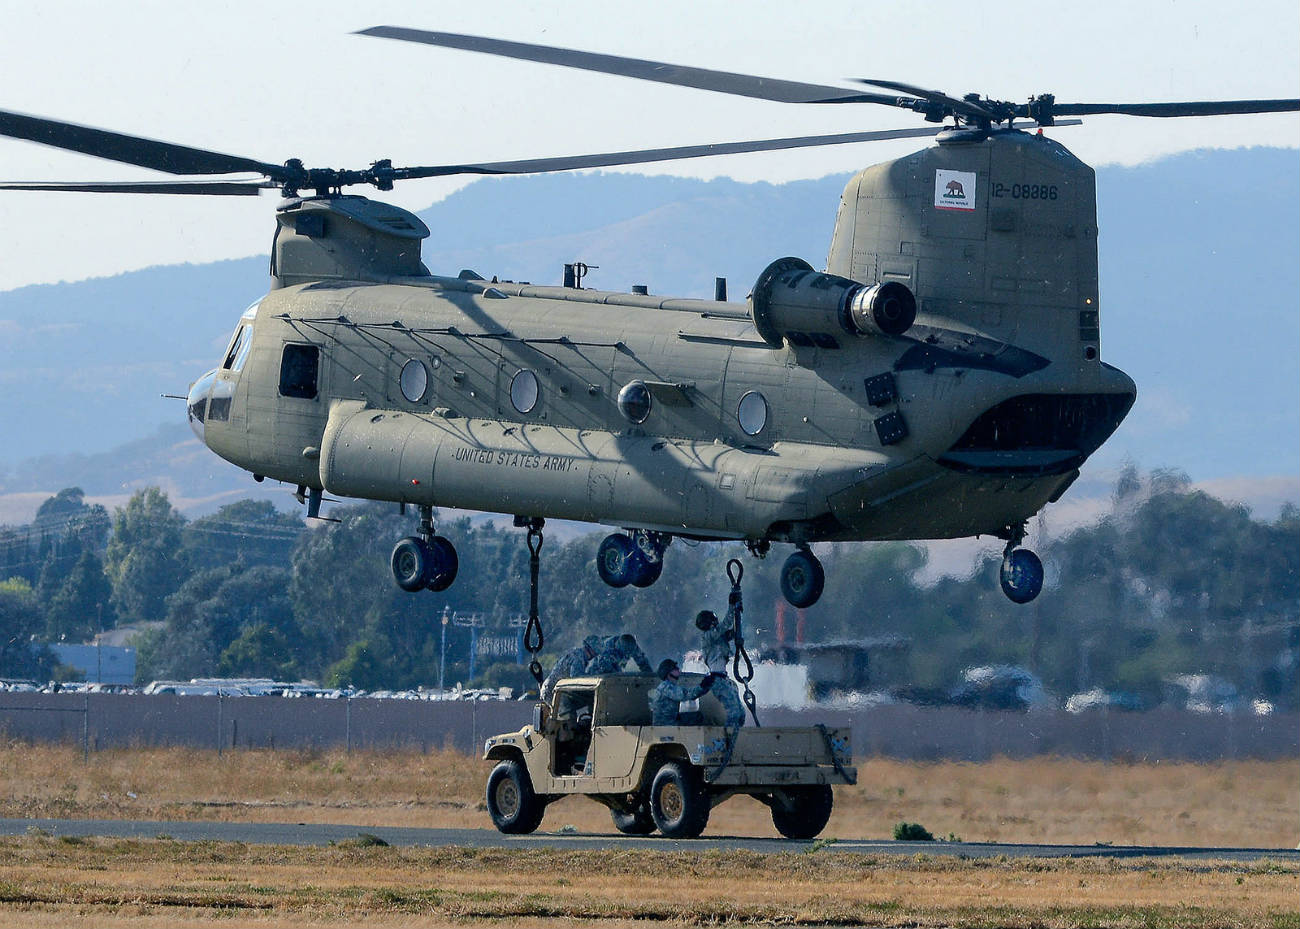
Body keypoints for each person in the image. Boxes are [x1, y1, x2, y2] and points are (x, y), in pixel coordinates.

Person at [695, 608, 745, 729]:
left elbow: (730, 631)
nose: (716, 622)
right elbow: (725, 625)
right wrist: (732, 607)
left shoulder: (716, 637)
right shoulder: (708, 636)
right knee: (734, 714)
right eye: (714, 621)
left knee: (740, 714)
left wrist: (738, 615)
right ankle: (727, 742)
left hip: (722, 679)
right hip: (717, 679)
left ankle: (731, 738)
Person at [648, 658, 713, 726]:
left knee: (695, 715)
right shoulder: (666, 687)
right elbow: (686, 695)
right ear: (668, 673)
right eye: (675, 668)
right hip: (665, 725)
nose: (678, 670)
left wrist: (706, 686)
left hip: (669, 720)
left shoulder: (667, 685)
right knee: (697, 717)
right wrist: (703, 686)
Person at [539, 635, 601, 703]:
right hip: (552, 692)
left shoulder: (578, 654)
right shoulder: (578, 657)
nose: (595, 655)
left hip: (557, 690)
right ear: (590, 649)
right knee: (566, 711)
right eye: (595, 651)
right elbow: (576, 678)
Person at [586, 633, 653, 675]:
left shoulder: (633, 647)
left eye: (629, 653)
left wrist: (650, 676)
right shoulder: (607, 649)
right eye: (626, 652)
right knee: (597, 672)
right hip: (599, 662)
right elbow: (605, 668)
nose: (628, 655)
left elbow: (643, 662)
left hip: (615, 659)